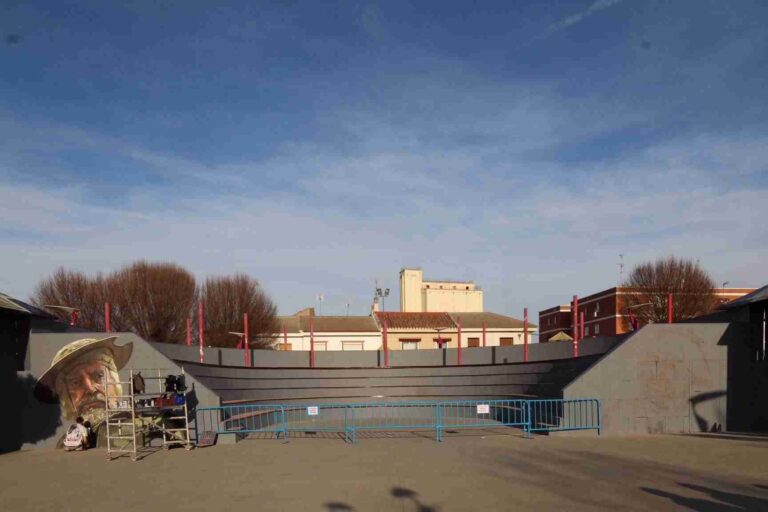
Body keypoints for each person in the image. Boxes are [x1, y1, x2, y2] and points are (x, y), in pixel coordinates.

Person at [34, 336, 133, 443]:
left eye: (99, 376)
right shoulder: (68, 442)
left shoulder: (138, 432)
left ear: (114, 381)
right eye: (76, 382)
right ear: (66, 397)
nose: (90, 389)